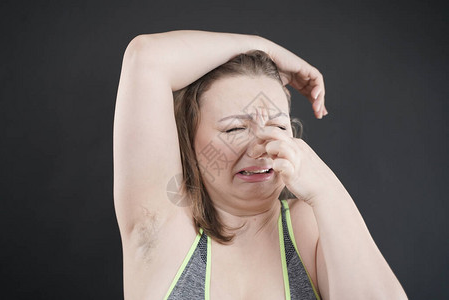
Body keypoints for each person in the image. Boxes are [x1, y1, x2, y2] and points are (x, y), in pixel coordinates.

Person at [113, 30, 407, 300]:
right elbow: (146, 57)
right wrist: (263, 47)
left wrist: (327, 191)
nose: (263, 146)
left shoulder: (308, 227)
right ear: (188, 142)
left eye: (278, 126)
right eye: (235, 130)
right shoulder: (162, 225)